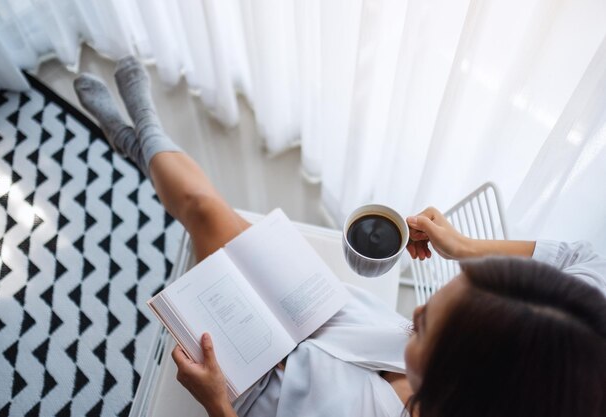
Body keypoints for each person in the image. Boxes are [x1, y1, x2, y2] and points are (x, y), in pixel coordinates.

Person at [74, 57, 606, 417]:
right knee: (206, 210)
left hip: (268, 397)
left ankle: (140, 143)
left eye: (419, 328)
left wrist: (219, 406)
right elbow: (584, 257)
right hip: (334, 319)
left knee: (202, 232)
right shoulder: (583, 333)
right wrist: (464, 249)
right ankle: (141, 139)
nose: (412, 319)